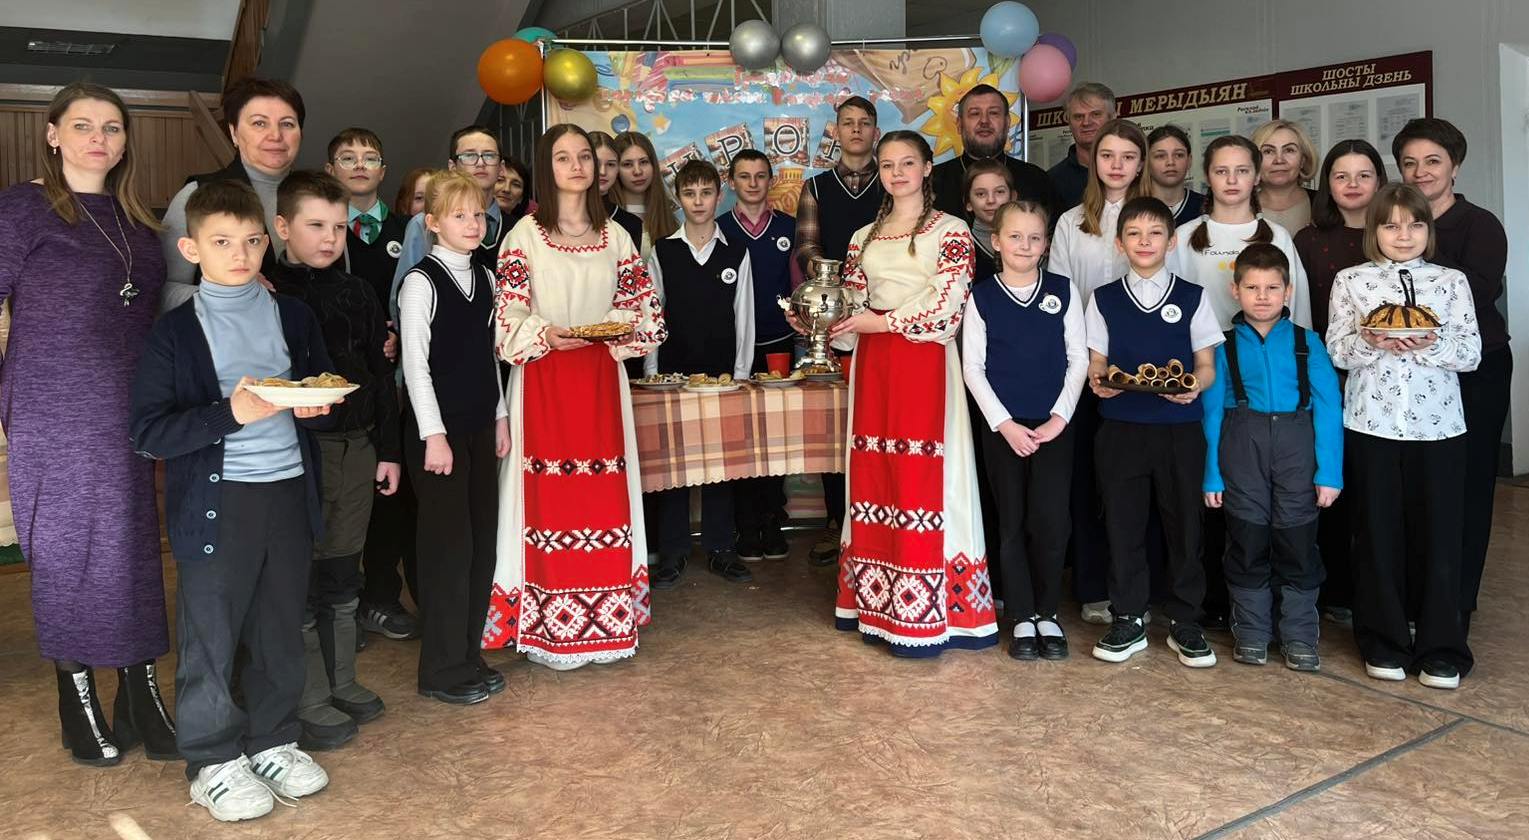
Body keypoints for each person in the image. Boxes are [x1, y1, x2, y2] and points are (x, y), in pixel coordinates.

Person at [130, 180, 335, 820]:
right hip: (216, 505)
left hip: (287, 493)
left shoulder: (293, 316)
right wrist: (231, 413)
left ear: (267, 242)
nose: (240, 255)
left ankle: (274, 739)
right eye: (221, 243)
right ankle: (212, 759)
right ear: (191, 248)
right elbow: (149, 433)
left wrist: (318, 407)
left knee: (280, 623)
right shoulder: (174, 333)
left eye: (250, 241)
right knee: (211, 633)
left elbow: (320, 390)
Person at [0, 81, 176, 767]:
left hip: (130, 408)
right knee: (68, 549)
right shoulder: (22, 208)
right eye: (82, 125)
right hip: (52, 409)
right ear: (53, 134)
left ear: (126, 141)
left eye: (111, 126)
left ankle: (139, 691)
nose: (98, 138)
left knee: (131, 547)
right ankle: (75, 696)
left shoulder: (140, 220)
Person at [817, 129, 998, 656]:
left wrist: (880, 322)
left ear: (927, 169)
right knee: (877, 471)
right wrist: (824, 319)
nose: (897, 173)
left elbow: (949, 300)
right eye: (888, 165)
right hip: (874, 365)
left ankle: (931, 612)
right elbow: (852, 301)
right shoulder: (862, 237)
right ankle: (877, 602)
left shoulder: (952, 230)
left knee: (924, 476)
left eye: (907, 163)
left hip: (923, 361)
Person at [492, 124, 666, 670]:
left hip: (600, 379)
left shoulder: (616, 236)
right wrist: (546, 332)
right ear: (547, 168)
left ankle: (606, 621)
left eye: (585, 156)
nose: (577, 166)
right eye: (563, 158)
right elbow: (507, 315)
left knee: (603, 494)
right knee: (548, 497)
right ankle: (549, 627)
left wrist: (608, 326)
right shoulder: (522, 236)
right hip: (544, 378)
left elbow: (645, 309)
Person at [1326, 182, 1481, 690]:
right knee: (1376, 533)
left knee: (1440, 536)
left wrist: (1427, 344)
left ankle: (1442, 647)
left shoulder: (1451, 282)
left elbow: (1471, 353)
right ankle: (1383, 641)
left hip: (1439, 427)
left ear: (1428, 229)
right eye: (1390, 225)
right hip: (1371, 423)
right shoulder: (1352, 281)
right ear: (1374, 231)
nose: (1403, 234)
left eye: (1415, 224)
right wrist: (1372, 342)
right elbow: (1337, 350)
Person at [268, 171, 400, 746]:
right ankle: (309, 695)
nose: (329, 238)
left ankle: (342, 680)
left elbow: (380, 373)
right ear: (282, 227)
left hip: (358, 446)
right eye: (316, 225)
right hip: (299, 450)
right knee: (301, 572)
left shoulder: (358, 291)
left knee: (344, 569)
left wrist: (389, 449)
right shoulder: (267, 291)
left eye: (339, 227)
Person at [1084, 196, 1222, 667]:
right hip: (1121, 428)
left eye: (1155, 233)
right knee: (1122, 524)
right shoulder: (1103, 298)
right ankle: (1128, 616)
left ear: (1172, 241)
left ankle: (1186, 621)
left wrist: (1193, 386)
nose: (1145, 242)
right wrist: (1099, 381)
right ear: (1119, 244)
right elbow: (1097, 361)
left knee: (1184, 525)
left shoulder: (1192, 297)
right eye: (1134, 234)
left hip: (1179, 428)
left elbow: (1206, 365)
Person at [396, 171, 511, 703]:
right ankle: (440, 670)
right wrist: (434, 436)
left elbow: (489, 359)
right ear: (433, 223)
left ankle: (468, 653)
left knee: (480, 546)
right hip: (437, 437)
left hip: (479, 428)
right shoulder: (420, 282)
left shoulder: (486, 277)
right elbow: (415, 368)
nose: (472, 223)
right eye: (459, 215)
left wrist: (500, 417)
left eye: (478, 214)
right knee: (448, 551)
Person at [1393, 118, 1511, 636]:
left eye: (1433, 161)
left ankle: (1457, 601)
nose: (1421, 172)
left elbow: (1475, 294)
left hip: (1475, 370)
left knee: (1467, 485)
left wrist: (1414, 260)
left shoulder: (1479, 225)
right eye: (1410, 163)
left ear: (1455, 167)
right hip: (1408, 371)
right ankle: (1416, 597)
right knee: (1417, 485)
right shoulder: (1395, 223)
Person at [1201, 243, 1342, 671]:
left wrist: (1330, 472)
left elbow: (1329, 408)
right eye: (1252, 287)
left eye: (1272, 288)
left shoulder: (1307, 343)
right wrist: (1211, 474)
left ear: (1288, 291)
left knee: (1297, 544)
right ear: (1235, 290)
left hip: (1298, 452)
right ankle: (1252, 630)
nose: (1262, 297)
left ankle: (1298, 634)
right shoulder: (1222, 347)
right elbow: (1211, 414)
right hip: (1241, 450)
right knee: (1246, 542)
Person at [961, 201, 1087, 660]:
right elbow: (973, 368)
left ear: (1046, 244)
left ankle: (1047, 612)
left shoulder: (1063, 291)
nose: (1025, 245)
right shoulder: (982, 297)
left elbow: (1078, 359)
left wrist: (1060, 418)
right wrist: (1004, 424)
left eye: (1035, 237)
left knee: (1050, 521)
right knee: (1011, 522)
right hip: (1004, 430)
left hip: (1054, 427)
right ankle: (1020, 614)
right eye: (1015, 236)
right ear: (996, 241)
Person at [1047, 118, 1152, 624]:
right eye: (1107, 155)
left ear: (1140, 163)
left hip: (1146, 367)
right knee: (1087, 480)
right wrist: (1088, 360)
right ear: (1093, 160)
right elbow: (1062, 295)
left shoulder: (1158, 219)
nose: (1116, 165)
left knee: (1135, 484)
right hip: (1086, 364)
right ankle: (1092, 586)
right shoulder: (1071, 222)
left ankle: (1137, 589)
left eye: (1128, 157)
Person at [324, 128, 419, 642]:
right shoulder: (324, 232)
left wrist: (405, 337)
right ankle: (339, 601)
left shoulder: (409, 228)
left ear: (383, 171)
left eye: (370, 158)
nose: (359, 165)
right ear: (330, 170)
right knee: (340, 495)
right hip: (338, 381)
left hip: (397, 382)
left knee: (390, 493)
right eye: (347, 158)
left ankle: (381, 595)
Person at [644, 160, 755, 585]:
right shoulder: (663, 251)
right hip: (674, 374)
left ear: (719, 196)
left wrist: (741, 373)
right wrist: (653, 371)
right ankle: (672, 551)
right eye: (689, 194)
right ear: (678, 199)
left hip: (722, 375)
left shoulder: (736, 252)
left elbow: (743, 316)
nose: (698, 201)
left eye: (705, 193)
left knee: (720, 465)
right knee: (673, 466)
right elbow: (653, 315)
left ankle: (720, 547)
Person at [1292, 139, 1387, 627]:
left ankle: (1375, 589)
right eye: (1341, 175)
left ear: (1380, 181)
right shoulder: (1309, 240)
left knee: (1375, 488)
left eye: (1363, 175)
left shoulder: (1393, 236)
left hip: (1385, 381)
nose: (1352, 184)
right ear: (1325, 184)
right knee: (1328, 478)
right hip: (1326, 372)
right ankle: (1333, 590)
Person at [793, 95, 884, 566]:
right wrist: (836, 283)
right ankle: (835, 523)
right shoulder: (816, 186)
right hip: (835, 315)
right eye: (847, 123)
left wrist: (873, 281)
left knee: (879, 418)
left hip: (886, 313)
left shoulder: (893, 181)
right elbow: (806, 247)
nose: (856, 130)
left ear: (875, 131)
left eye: (864, 123)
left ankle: (876, 520)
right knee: (837, 421)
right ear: (837, 131)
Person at [717, 149, 799, 562]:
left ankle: (772, 519)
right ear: (731, 182)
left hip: (779, 343)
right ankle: (745, 523)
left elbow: (800, 288)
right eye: (744, 176)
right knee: (738, 437)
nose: (752, 183)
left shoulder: (789, 227)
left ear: (771, 181)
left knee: (775, 435)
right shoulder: (718, 229)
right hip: (734, 349)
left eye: (760, 175)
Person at [160, 77, 303, 312]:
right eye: (259, 123)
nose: (275, 135)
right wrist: (228, 296)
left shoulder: (319, 195)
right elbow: (162, 291)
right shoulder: (197, 194)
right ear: (234, 132)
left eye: (287, 124)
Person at [1170, 135, 1313, 329]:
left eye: (1242, 171)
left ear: (1257, 176)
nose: (1232, 180)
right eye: (1221, 171)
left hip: (1265, 347)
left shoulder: (1278, 236)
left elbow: (1298, 308)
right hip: (1201, 347)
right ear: (1208, 177)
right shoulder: (1183, 236)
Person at [389, 125, 512, 310]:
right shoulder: (424, 223)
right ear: (452, 167)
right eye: (469, 155)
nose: (480, 163)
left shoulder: (517, 227)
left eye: (489, 155)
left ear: (501, 168)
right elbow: (402, 296)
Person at [930, 84, 1057, 221]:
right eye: (975, 114)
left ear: (1007, 123)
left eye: (993, 113)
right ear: (959, 124)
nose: (984, 121)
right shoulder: (933, 182)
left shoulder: (1036, 180)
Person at [1047, 82, 1117, 210]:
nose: (1086, 122)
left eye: (1095, 114)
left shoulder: (1134, 171)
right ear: (1068, 121)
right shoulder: (1052, 181)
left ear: (1113, 118)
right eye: (1078, 116)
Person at [611, 130, 680, 251]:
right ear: (616, 169)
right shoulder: (609, 217)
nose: (637, 171)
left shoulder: (666, 214)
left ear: (653, 165)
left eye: (643, 162)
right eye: (627, 164)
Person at [1252, 119, 1319, 234]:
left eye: (1289, 150)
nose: (1279, 160)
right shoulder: (1236, 209)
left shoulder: (1329, 205)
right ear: (1254, 161)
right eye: (1268, 151)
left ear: (1303, 160)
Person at [961, 158, 1014, 283]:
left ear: (1013, 197)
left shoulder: (1028, 242)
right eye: (981, 194)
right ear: (968, 203)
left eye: (999, 192)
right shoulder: (961, 244)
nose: (991, 200)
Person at [591, 130, 644, 246]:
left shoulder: (632, 224)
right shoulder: (562, 216)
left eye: (610, 164)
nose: (603, 172)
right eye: (596, 164)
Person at [1146, 124, 1204, 227]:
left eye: (1179, 155)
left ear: (1189, 161)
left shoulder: (1206, 207)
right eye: (1160, 156)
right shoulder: (1133, 208)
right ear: (1146, 162)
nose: (1170, 162)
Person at [495, 156, 533, 226]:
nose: (506, 189)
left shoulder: (525, 229)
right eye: (500, 180)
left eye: (516, 185)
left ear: (521, 197)